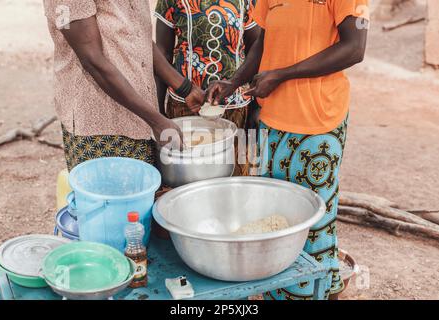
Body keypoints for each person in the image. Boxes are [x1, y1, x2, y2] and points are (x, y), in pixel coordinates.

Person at [206, 0, 369, 299]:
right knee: (278, 218)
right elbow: (265, 42)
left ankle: (313, 291)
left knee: (313, 218)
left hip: (317, 121)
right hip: (273, 119)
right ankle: (292, 290)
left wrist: (282, 74)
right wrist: (234, 81)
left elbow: (355, 48)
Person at [43, 0, 204, 171]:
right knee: (110, 194)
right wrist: (156, 121)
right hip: (99, 125)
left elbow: (137, 37)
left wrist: (184, 87)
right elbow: (92, 59)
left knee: (142, 192)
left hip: (140, 115)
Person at [154, 0, 261, 132]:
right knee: (186, 151)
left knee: (232, 152)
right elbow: (162, 54)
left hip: (235, 107)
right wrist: (158, 109)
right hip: (185, 104)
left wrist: (256, 106)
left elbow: (255, 51)